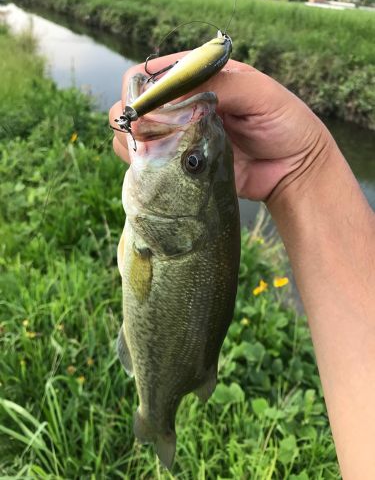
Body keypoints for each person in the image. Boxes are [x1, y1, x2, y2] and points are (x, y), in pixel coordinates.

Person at [109, 56, 375, 479]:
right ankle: (157, 415)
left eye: (192, 163)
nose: (191, 151)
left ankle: (155, 418)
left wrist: (305, 164)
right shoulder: (165, 237)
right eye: (194, 163)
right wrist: (304, 167)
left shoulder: (161, 241)